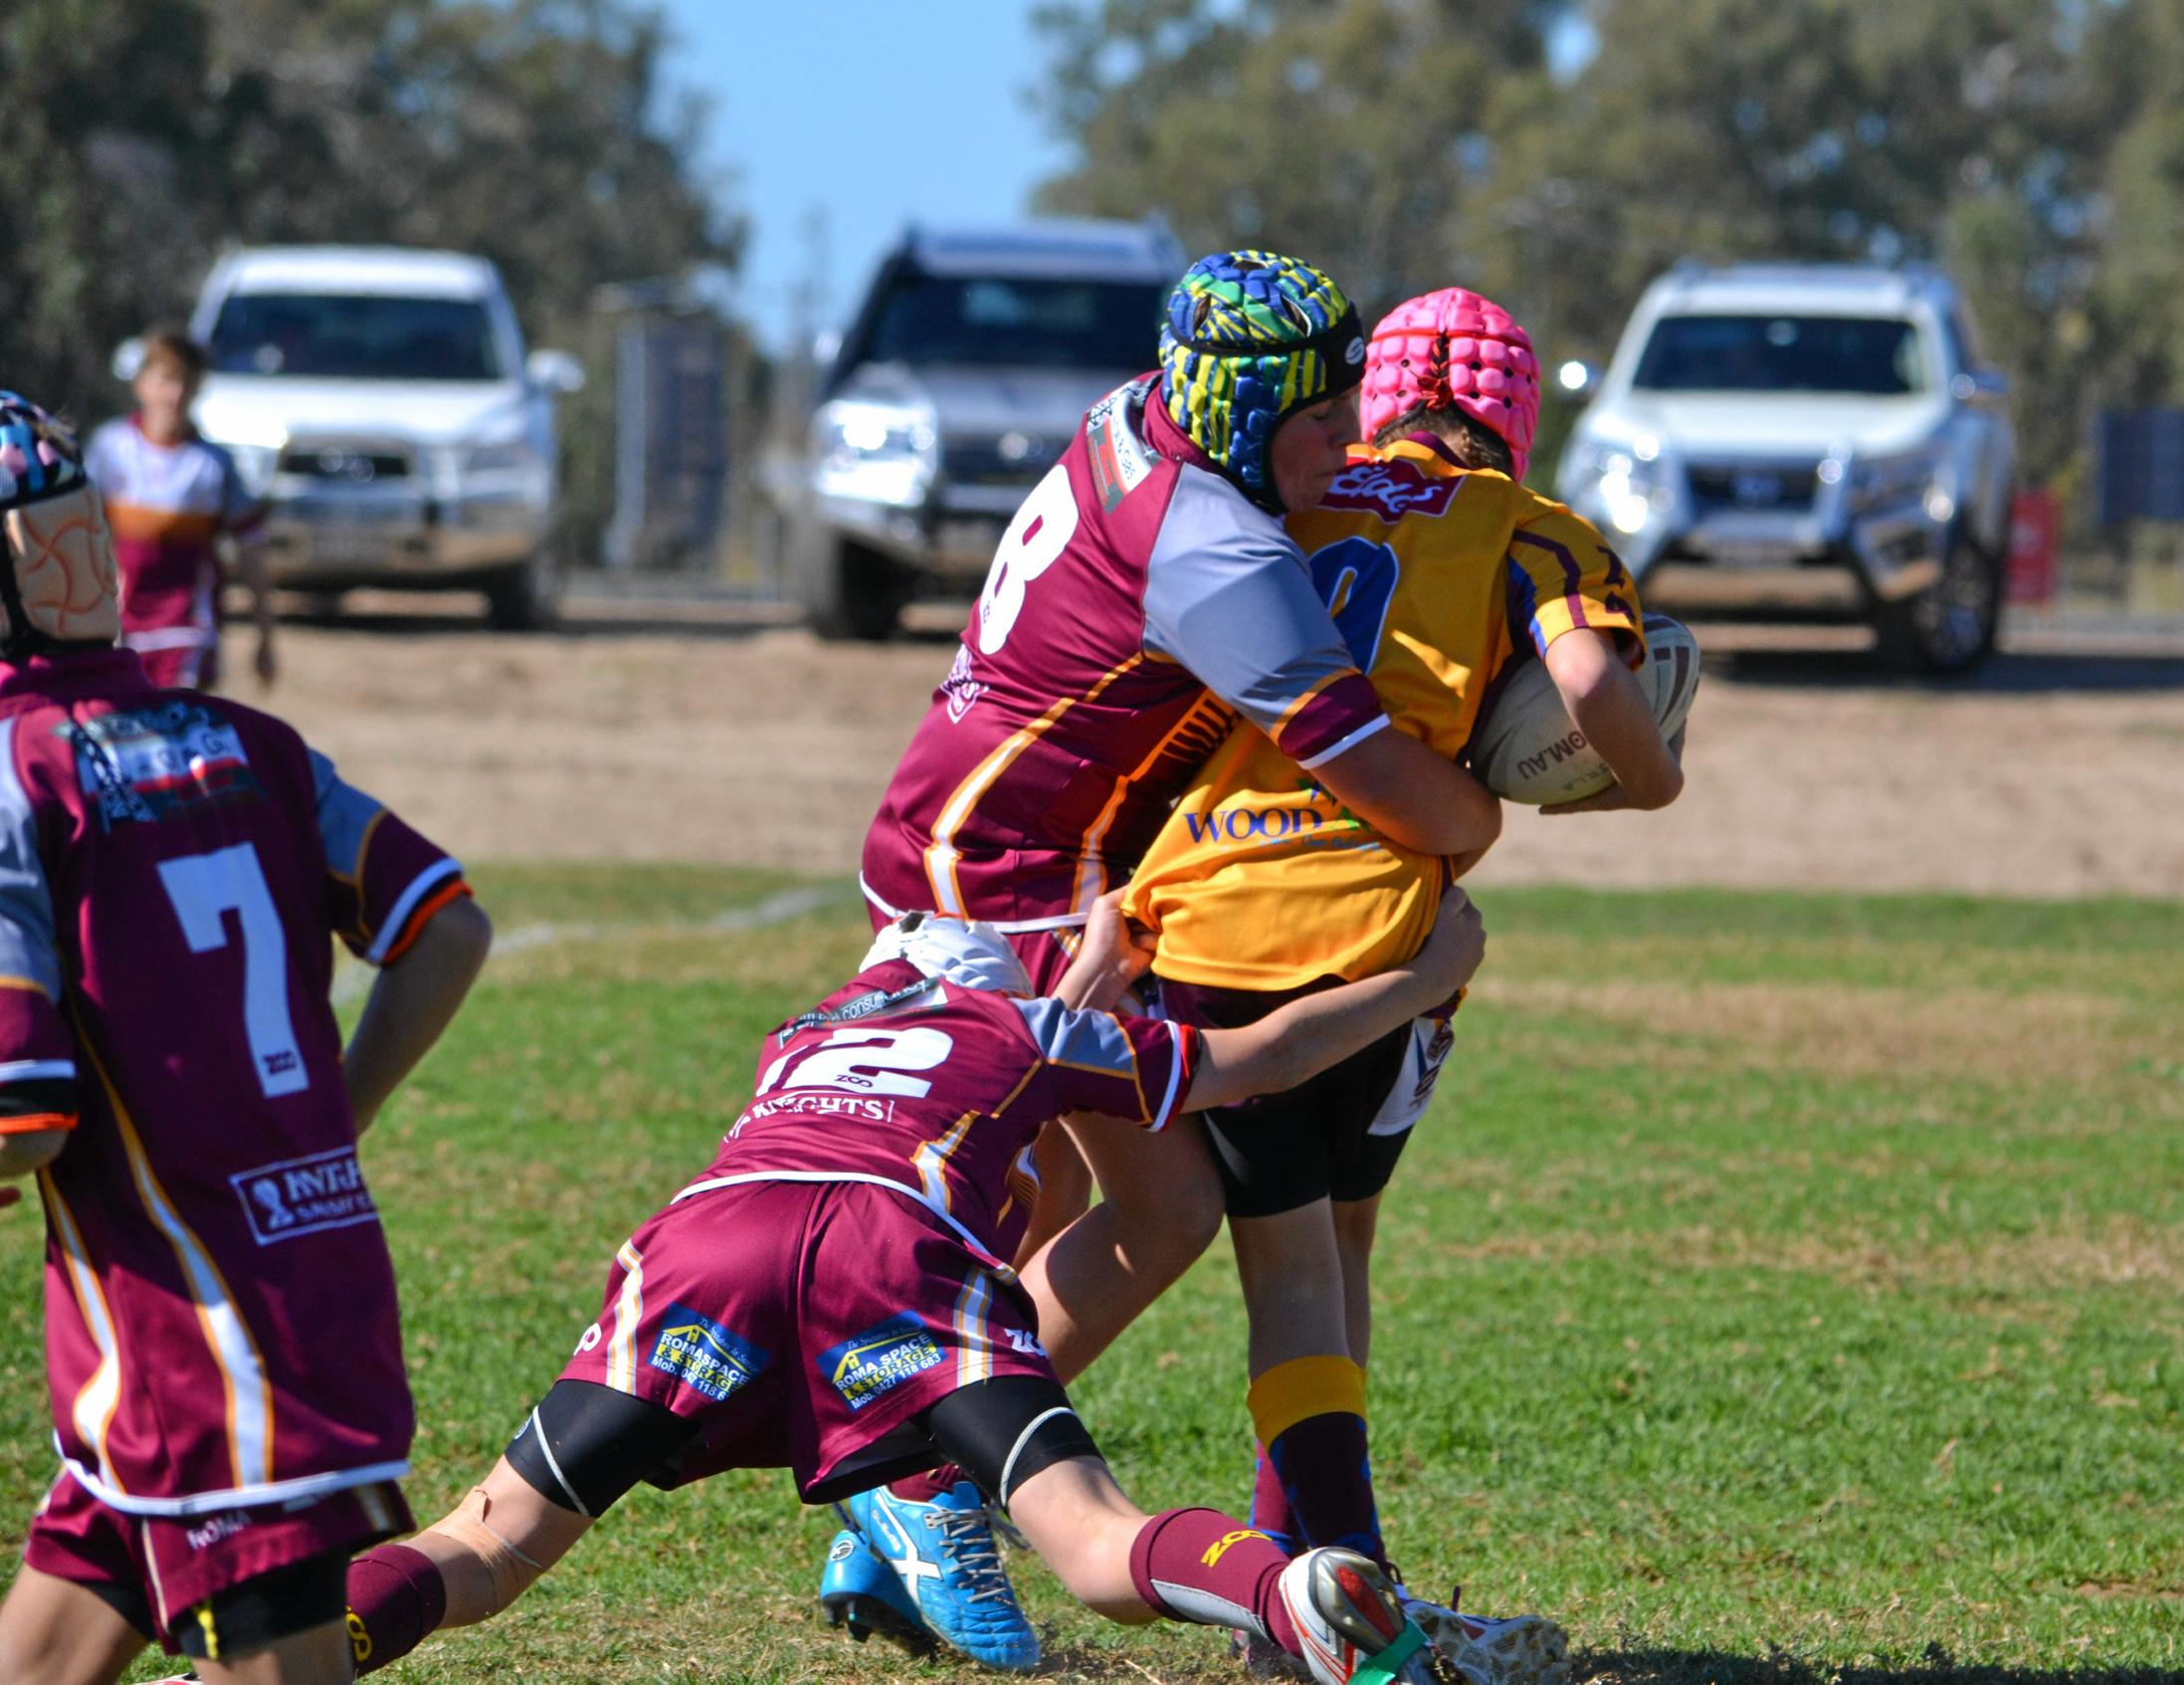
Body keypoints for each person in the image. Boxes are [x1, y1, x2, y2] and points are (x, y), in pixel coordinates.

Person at [840, 250, 1502, 1663]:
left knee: (1046, 1197)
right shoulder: (1220, 551)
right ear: (1249, 419)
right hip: (1015, 889)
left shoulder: (1138, 413)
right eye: (1320, 423)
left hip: (966, 834)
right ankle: (915, 1485)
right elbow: (1378, 777)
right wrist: (1483, 808)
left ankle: (904, 1493)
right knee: (1167, 1212)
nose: (1348, 446)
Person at [337, 890, 1487, 1685]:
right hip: (891, 1252)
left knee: (484, 1542)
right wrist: (1423, 975)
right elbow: (1270, 1055)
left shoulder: (798, 1034)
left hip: (708, 1248)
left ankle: (281, 1647)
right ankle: (1289, 1592)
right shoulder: (1028, 1030)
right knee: (1093, 1543)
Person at [1121, 288, 1684, 1685]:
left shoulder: (1279, 497)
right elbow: (1594, 683)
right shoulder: (1534, 529)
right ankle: (1343, 1612)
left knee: (1284, 1257)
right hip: (1380, 936)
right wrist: (1645, 784)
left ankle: (1311, 1600)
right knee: (1320, 1261)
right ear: (1514, 417)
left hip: (1198, 917)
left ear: (1371, 400)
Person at [0, 394, 492, 1685]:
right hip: (243, 1321)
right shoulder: (249, 742)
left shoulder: (17, 770)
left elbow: (25, 1117)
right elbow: (445, 926)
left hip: (206, 1353)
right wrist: (336, 1116)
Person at [84, 329, 278, 692]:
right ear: (141, 384)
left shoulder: (214, 466)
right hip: (119, 628)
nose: (175, 395)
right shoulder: (109, 450)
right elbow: (76, 537)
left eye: (187, 384)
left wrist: (265, 634)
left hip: (187, 628)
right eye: (166, 381)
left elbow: (250, 552)